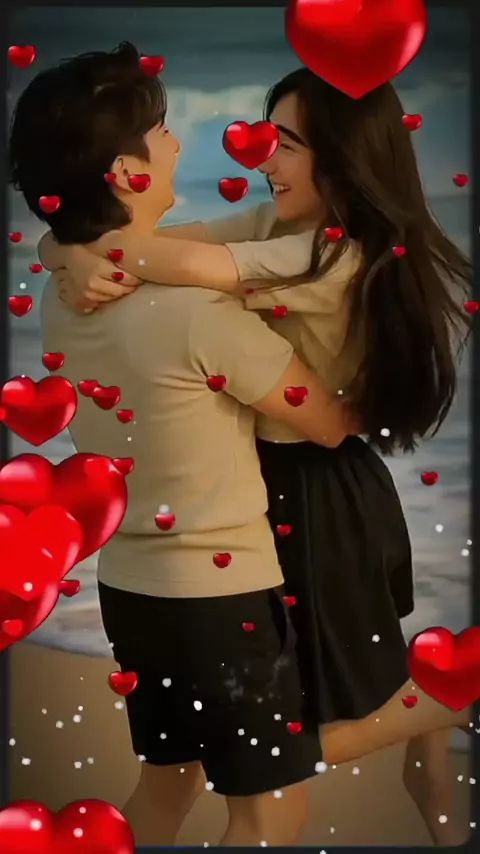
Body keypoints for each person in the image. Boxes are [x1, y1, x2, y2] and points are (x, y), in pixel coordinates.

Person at [39, 67, 472, 846]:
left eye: (288, 144)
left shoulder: (325, 255)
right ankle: (433, 745)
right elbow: (161, 247)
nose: (265, 158)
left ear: (344, 160)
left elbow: (177, 266)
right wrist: (64, 245)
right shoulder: (272, 224)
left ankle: (444, 709)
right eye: (268, 137)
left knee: (300, 730)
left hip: (315, 490)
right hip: (258, 482)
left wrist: (69, 246)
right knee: (271, 730)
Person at [8, 44, 366, 848]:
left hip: (131, 589)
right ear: (128, 172)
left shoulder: (66, 295)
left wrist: (61, 247)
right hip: (220, 599)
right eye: (162, 131)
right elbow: (329, 423)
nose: (176, 144)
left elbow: (190, 244)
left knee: (167, 785)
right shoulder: (197, 316)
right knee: (271, 812)